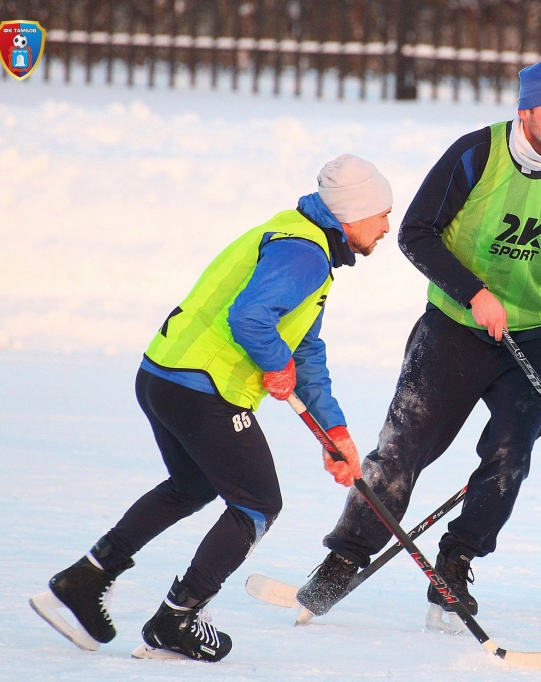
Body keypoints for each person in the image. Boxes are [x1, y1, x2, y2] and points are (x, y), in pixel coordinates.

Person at [29, 155, 393, 662]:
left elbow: (305, 350)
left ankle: (85, 579)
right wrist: (273, 361)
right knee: (257, 504)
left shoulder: (293, 236)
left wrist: (335, 433)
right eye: (382, 215)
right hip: (205, 388)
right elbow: (250, 318)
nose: (385, 229)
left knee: (192, 485)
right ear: (353, 213)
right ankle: (177, 619)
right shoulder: (305, 253)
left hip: (162, 374)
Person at [298, 60, 541, 630]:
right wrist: (474, 292)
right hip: (454, 328)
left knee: (509, 457)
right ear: (525, 112)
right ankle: (345, 556)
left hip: (534, 335)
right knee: (403, 448)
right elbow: (415, 232)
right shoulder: (476, 153)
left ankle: (456, 561)